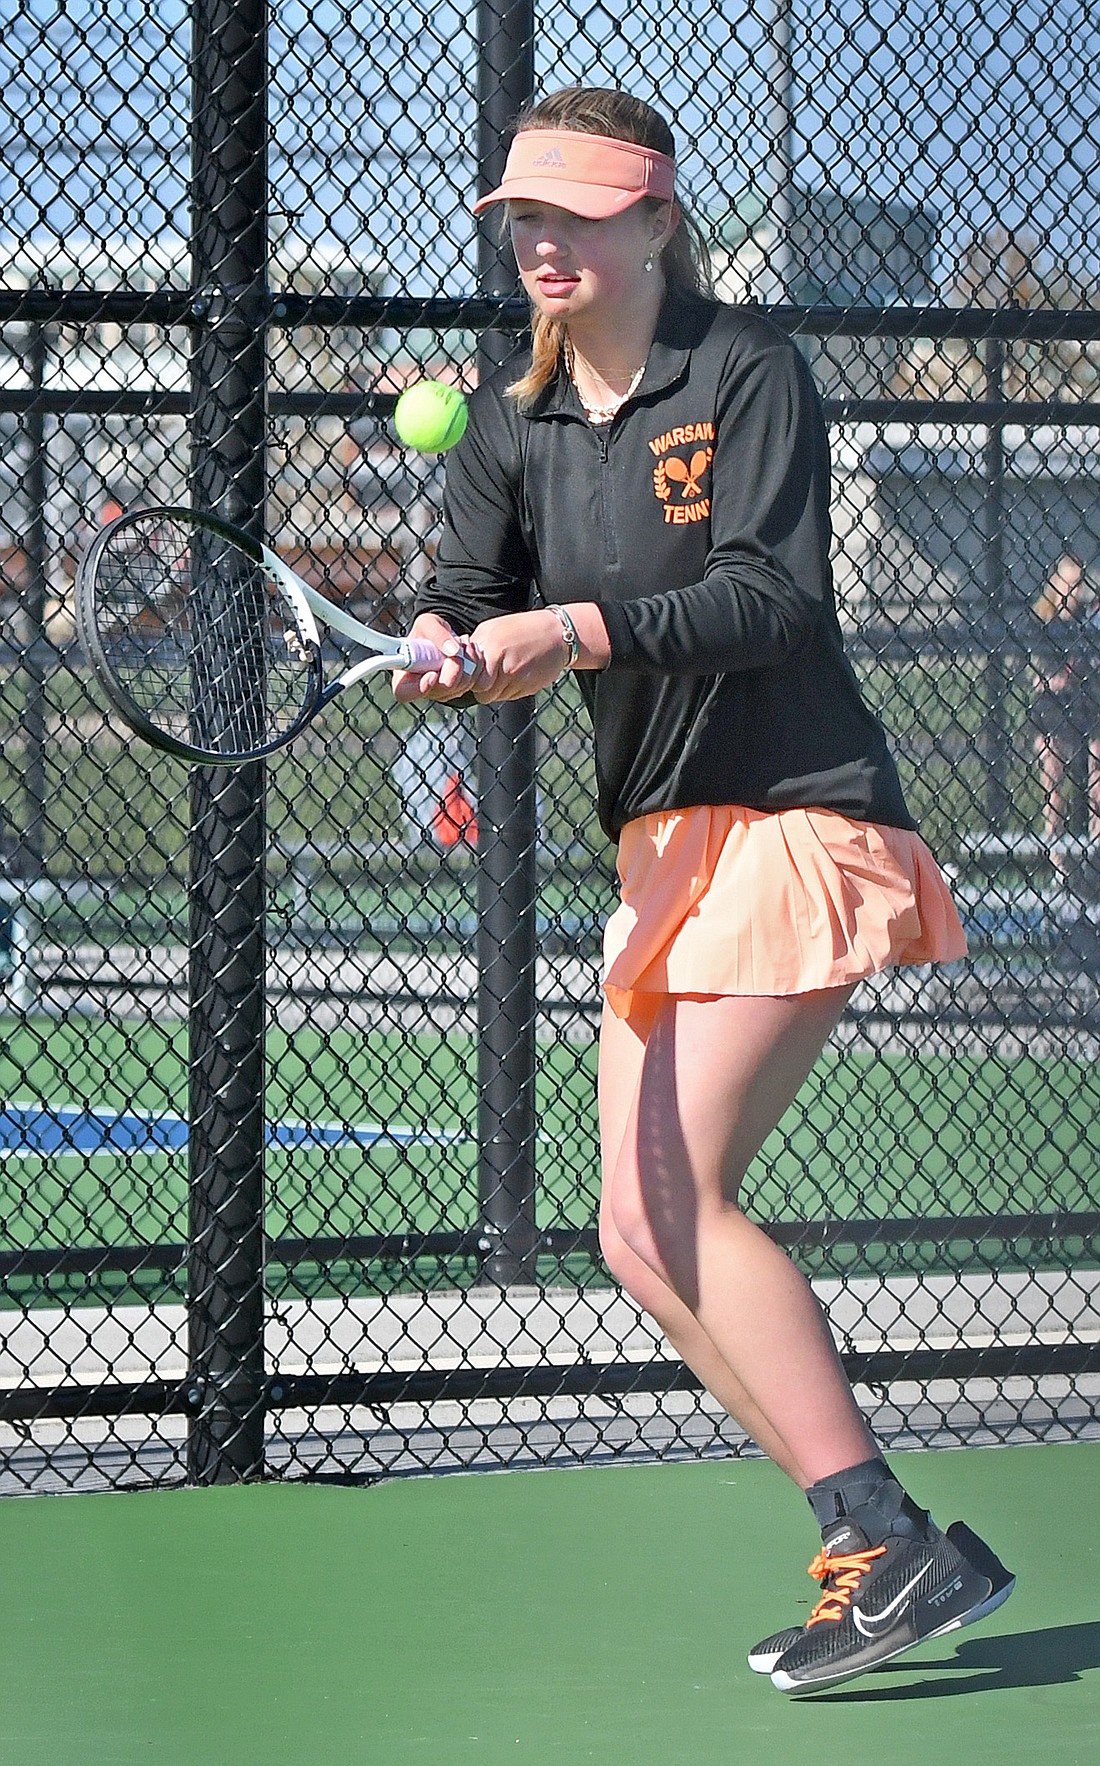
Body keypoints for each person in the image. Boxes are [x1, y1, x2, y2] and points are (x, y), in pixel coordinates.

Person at [393, 85, 1015, 1694]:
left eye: (580, 212)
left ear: (658, 220)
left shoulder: (742, 372)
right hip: (659, 848)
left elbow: (769, 597)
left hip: (798, 818)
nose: (545, 239)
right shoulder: (505, 420)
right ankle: (875, 1539)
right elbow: (475, 605)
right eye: (525, 215)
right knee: (633, 1232)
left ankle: (882, 1536)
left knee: (679, 1196)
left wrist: (571, 633)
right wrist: (453, 656)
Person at [1030, 551, 1100, 848]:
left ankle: (1095, 847)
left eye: (1078, 585)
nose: (1074, 592)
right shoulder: (1041, 618)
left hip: (1084, 704)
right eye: (1069, 584)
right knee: (1053, 774)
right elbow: (1041, 675)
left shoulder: (1087, 620)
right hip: (1050, 709)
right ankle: (1055, 854)